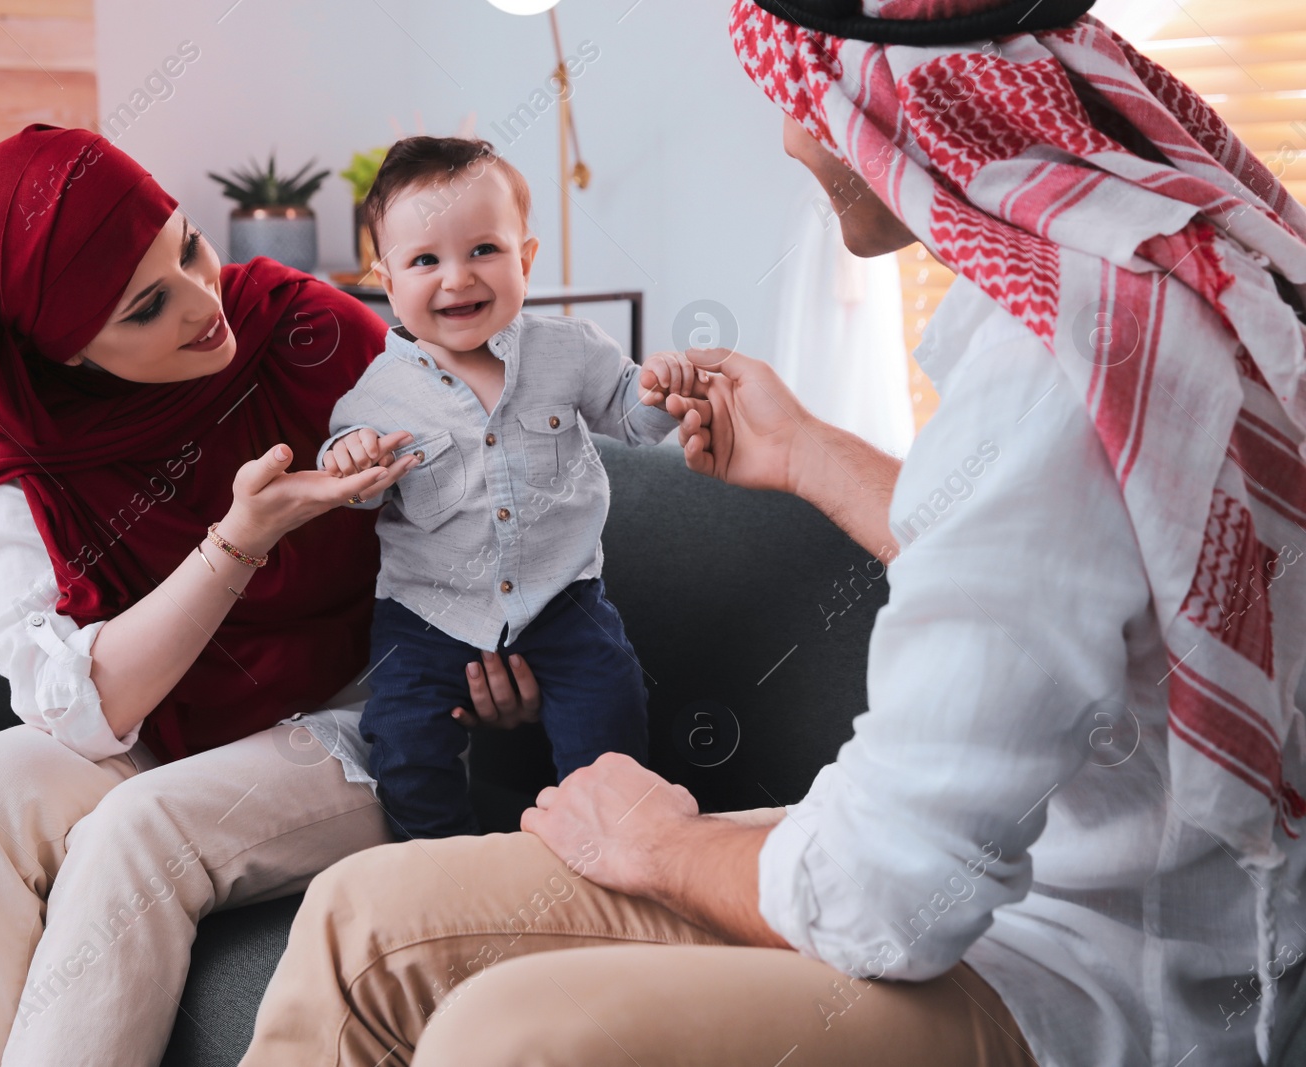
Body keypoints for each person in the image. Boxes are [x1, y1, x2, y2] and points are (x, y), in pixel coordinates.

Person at [237, 1, 1306, 1064]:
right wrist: (803, 453)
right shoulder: (1116, 310)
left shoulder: (1058, 382)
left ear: (892, 100)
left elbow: (889, 896)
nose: (791, 134)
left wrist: (661, 840)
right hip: (1004, 885)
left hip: (1068, 970)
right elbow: (1074, 566)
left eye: (798, 94)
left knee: (501, 1031)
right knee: (353, 917)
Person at [0, 124, 546, 1066]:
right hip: (171, 717)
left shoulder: (301, 329)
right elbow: (73, 708)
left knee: (132, 836)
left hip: (370, 712)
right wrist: (239, 543)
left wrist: (510, 654)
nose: (203, 302)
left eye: (190, 246)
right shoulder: (22, 452)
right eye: (147, 306)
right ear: (63, 356)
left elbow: (497, 497)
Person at [316, 136, 690, 839]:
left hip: (563, 597)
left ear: (526, 258)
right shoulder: (380, 390)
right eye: (425, 260)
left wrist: (669, 389)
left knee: (611, 707)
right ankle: (443, 861)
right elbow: (352, 485)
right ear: (386, 282)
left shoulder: (570, 350)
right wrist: (350, 457)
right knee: (401, 736)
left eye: (483, 250)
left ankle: (609, 846)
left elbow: (632, 419)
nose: (457, 278)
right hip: (428, 612)